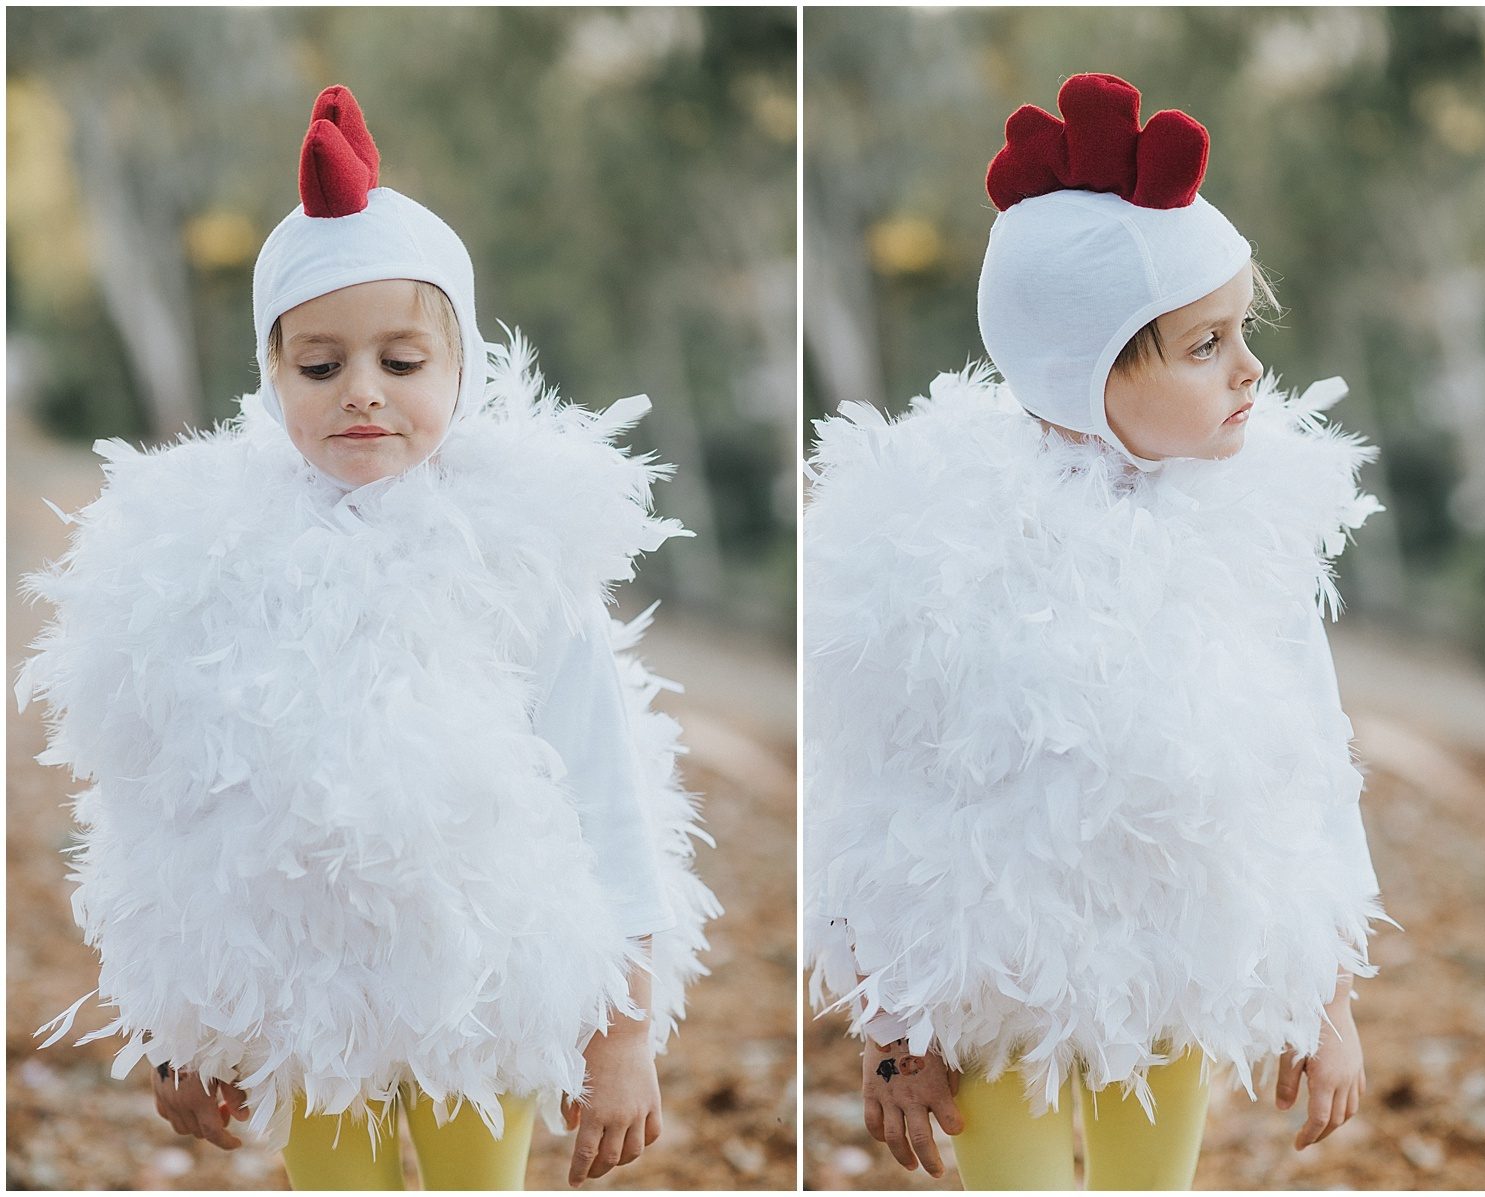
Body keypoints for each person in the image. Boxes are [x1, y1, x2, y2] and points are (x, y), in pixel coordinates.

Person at [21, 85, 719, 1191]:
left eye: (401, 363)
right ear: (271, 373)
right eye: (320, 365)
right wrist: (178, 1020)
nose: (362, 395)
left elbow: (606, 789)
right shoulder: (210, 568)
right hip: (309, 1000)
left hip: (483, 980)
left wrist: (622, 1030)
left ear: (462, 370)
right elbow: (162, 809)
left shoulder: (520, 564)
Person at [804, 72, 1402, 1190]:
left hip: (1173, 966)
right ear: (1079, 371)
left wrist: (1325, 995)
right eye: (1203, 344)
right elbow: (865, 789)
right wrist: (892, 1021)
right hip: (991, 980)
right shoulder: (934, 550)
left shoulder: (1244, 539)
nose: (1248, 368)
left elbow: (1308, 768)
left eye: (1242, 333)